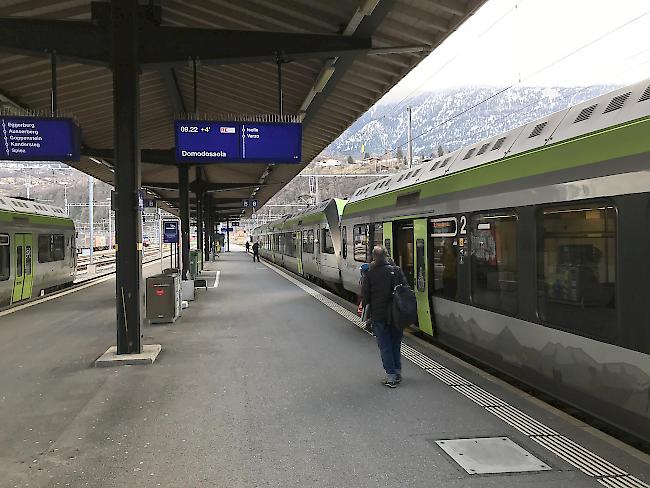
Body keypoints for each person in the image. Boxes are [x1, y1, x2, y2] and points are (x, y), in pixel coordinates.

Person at [361, 245, 409, 388]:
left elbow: (365, 297)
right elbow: (406, 289)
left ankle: (391, 377)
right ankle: (397, 372)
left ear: (374, 257)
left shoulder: (370, 273)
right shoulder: (396, 270)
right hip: (396, 314)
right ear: (387, 256)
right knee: (395, 344)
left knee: (385, 346)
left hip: (379, 316)